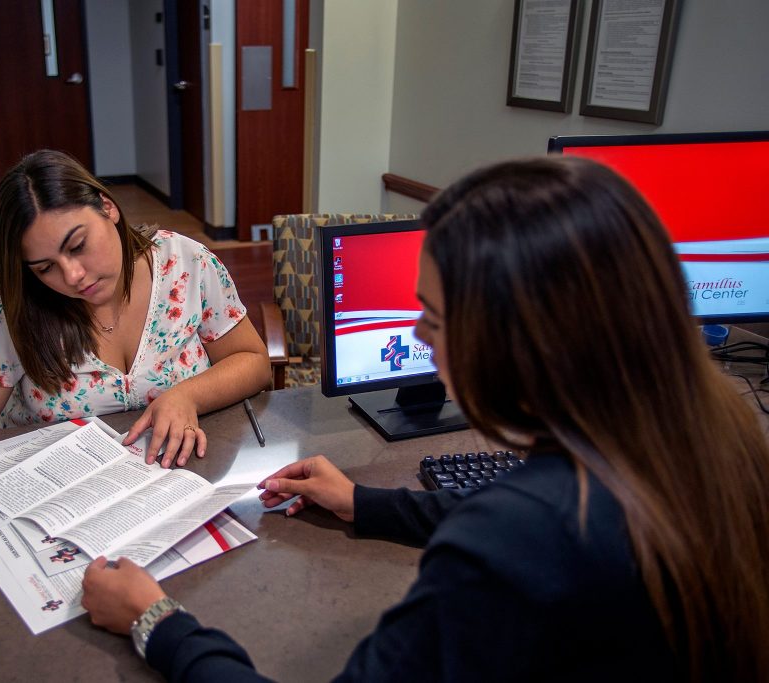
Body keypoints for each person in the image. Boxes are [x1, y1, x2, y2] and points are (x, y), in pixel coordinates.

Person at [80, 156, 769, 682]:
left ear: (519, 342)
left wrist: (156, 620)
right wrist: (366, 503)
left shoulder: (511, 540)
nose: (418, 333)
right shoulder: (715, 437)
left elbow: (517, 536)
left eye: (434, 316)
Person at [0, 150, 270, 493]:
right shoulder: (14, 304)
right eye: (45, 268)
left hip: (181, 481)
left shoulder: (186, 263)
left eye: (77, 246)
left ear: (108, 208)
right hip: (60, 495)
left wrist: (187, 395)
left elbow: (252, 360)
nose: (73, 276)